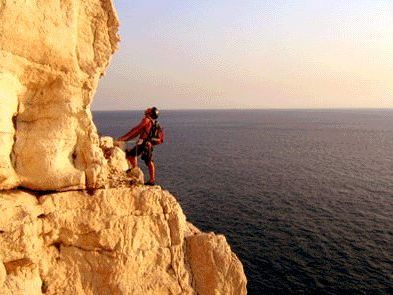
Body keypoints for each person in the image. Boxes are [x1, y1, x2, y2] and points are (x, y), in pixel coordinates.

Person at [117, 107, 164, 185]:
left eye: (149, 109)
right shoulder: (153, 122)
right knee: (132, 155)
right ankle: (135, 170)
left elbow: (136, 130)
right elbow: (137, 132)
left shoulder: (146, 120)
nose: (147, 109)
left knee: (147, 160)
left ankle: (151, 179)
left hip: (144, 143)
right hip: (147, 143)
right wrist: (125, 139)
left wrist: (123, 138)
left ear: (151, 113)